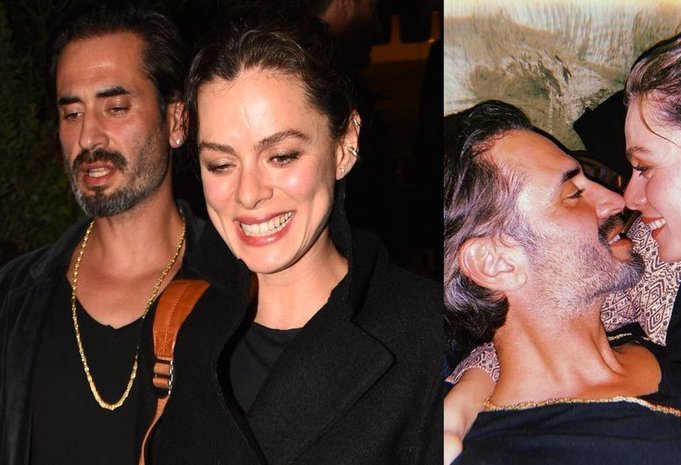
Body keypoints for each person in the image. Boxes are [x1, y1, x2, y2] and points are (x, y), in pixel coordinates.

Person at [446, 16, 681, 465]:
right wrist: (461, 400)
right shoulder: (662, 273)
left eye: (645, 167)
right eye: (572, 192)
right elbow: (540, 323)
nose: (626, 197)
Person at [145, 13, 442, 464]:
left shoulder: (427, 336)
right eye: (221, 164)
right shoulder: (180, 328)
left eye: (281, 156)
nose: (248, 193)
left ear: (344, 145)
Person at [0, 5, 199, 465]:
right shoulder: (13, 301)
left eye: (115, 108)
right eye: (72, 113)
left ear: (176, 121)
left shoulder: (238, 288)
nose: (89, 137)